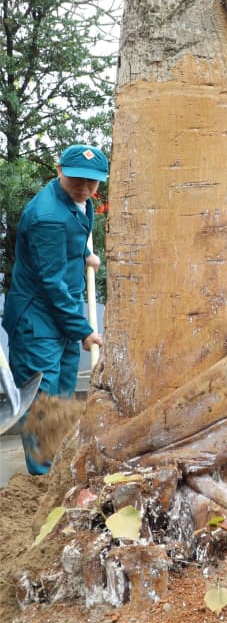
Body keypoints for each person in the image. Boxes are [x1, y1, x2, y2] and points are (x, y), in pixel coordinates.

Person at [3, 144, 108, 474]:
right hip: (38, 321)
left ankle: (60, 468)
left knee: (62, 399)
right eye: (77, 180)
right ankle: (42, 480)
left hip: (62, 313)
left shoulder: (83, 202)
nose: (85, 189)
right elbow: (50, 282)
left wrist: (82, 257)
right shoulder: (46, 216)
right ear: (59, 170)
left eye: (92, 183)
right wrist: (84, 330)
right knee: (44, 406)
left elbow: (68, 244)